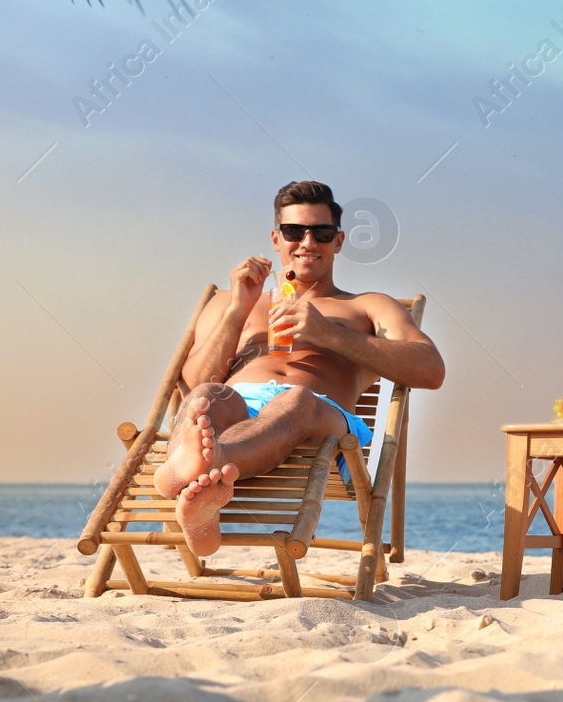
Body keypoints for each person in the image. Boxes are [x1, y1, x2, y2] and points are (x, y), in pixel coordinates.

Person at [153, 181, 445, 555]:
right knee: (206, 396)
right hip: (239, 407)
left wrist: (328, 334)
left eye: (321, 233)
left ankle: (199, 466)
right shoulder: (232, 300)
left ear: (337, 242)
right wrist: (238, 311)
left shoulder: (368, 305)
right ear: (276, 239)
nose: (307, 242)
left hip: (318, 414)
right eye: (294, 231)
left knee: (296, 400)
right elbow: (193, 383)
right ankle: (199, 506)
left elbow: (431, 370)